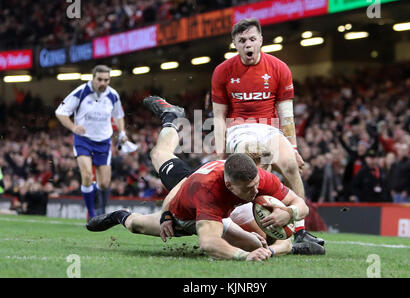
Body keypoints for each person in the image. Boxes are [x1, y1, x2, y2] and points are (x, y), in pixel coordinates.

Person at [86, 95, 312, 260]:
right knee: (137, 225)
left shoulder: (258, 178)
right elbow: (207, 242)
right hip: (184, 215)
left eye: (257, 183)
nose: (256, 192)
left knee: (257, 244)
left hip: (214, 212)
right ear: (230, 184)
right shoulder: (208, 189)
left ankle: (171, 118)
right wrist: (166, 215)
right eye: (249, 188)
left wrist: (289, 213)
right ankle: (118, 216)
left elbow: (299, 207)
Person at [211, 18, 324, 251]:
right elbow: (219, 116)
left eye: (252, 39)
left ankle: (301, 232)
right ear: (234, 43)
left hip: (269, 127)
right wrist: (219, 154)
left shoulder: (279, 67)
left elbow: (287, 116)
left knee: (291, 166)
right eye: (242, 40)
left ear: (261, 40)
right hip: (238, 128)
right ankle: (260, 229)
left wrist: (293, 148)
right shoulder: (222, 71)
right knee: (255, 163)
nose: (248, 45)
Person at [55, 65, 129, 218]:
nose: (103, 83)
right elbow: (60, 112)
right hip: (84, 140)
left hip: (103, 142)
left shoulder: (113, 95)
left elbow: (119, 115)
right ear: (93, 78)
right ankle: (92, 213)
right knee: (87, 176)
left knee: (104, 183)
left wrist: (122, 132)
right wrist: (73, 127)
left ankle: (100, 205)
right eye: (100, 79)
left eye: (106, 80)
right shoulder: (81, 92)